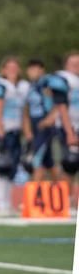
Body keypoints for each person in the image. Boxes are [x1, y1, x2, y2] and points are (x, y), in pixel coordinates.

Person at [0, 57, 31, 217]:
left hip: (16, 129)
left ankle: (7, 203)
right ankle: (0, 204)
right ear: (3, 70)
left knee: (12, 168)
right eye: (9, 67)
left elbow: (24, 112)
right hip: (4, 128)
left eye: (15, 67)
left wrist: (28, 133)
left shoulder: (24, 86)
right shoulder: (0, 85)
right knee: (2, 166)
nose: (13, 70)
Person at [24, 59, 65, 182]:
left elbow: (59, 102)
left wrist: (51, 118)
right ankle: (60, 193)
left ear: (41, 70)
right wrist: (27, 129)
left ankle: (34, 196)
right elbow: (26, 109)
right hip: (35, 124)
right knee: (49, 163)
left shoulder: (46, 83)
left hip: (45, 125)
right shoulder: (31, 86)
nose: (32, 72)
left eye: (35, 69)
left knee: (37, 159)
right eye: (30, 69)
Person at [54, 51, 79, 214]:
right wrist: (70, 132)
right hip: (69, 128)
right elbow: (61, 107)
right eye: (73, 63)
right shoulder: (64, 80)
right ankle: (66, 201)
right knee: (69, 164)